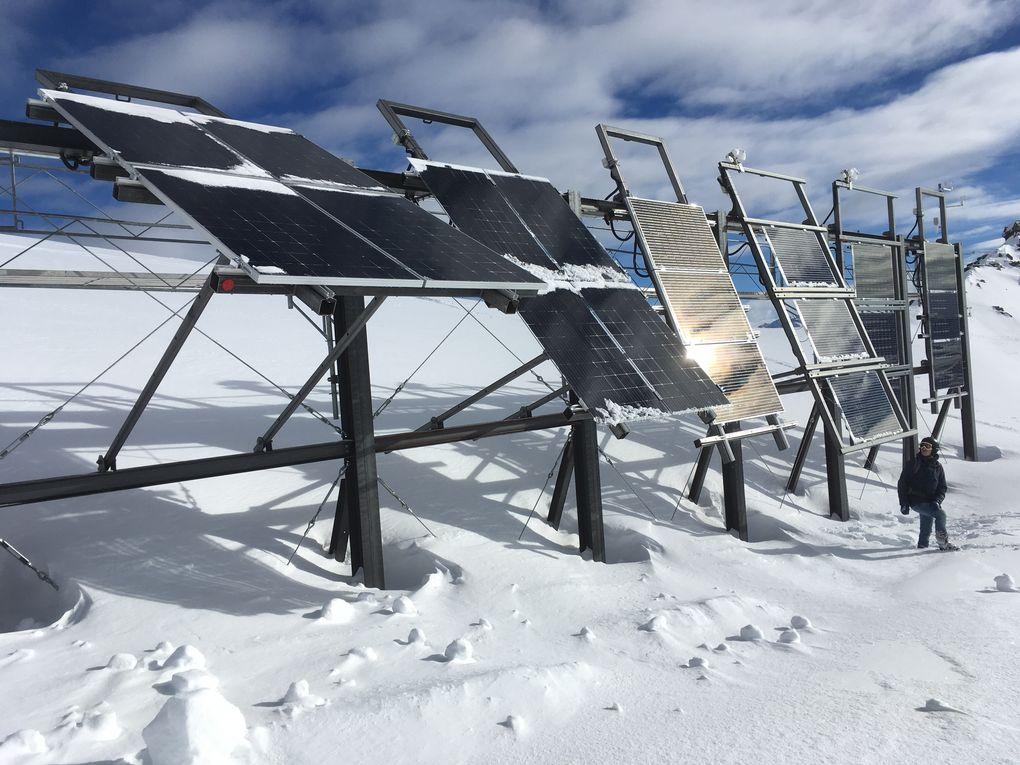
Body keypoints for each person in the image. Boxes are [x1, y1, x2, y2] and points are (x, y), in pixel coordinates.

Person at [897, 436, 958, 551]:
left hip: (931, 502)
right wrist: (904, 503)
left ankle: (922, 547)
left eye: (927, 446)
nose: (924, 448)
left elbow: (942, 487)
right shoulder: (913, 464)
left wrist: (937, 500)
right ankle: (943, 543)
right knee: (941, 515)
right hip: (916, 501)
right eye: (922, 445)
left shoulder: (938, 467)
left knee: (926, 527)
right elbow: (902, 484)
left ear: (933, 449)